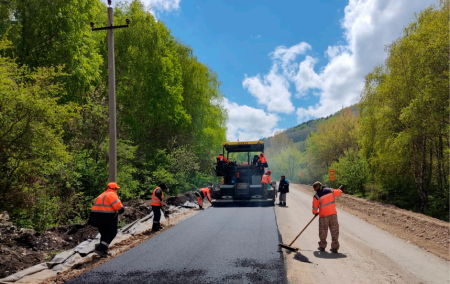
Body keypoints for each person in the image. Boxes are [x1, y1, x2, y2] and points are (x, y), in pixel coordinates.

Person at [88, 182, 124, 257]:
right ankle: (100, 248)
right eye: (116, 189)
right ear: (114, 188)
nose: (116, 190)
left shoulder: (101, 195)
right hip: (106, 217)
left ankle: (103, 251)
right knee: (112, 233)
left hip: (95, 218)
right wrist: (121, 210)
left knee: (104, 234)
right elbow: (118, 207)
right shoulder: (112, 195)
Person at [312, 181, 343, 253]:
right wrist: (339, 191)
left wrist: (315, 213)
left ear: (318, 187)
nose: (314, 189)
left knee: (323, 231)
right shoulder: (331, 190)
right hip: (333, 214)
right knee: (334, 230)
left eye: (314, 188)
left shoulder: (316, 196)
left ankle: (322, 246)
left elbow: (314, 208)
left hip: (323, 216)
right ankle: (335, 248)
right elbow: (340, 192)